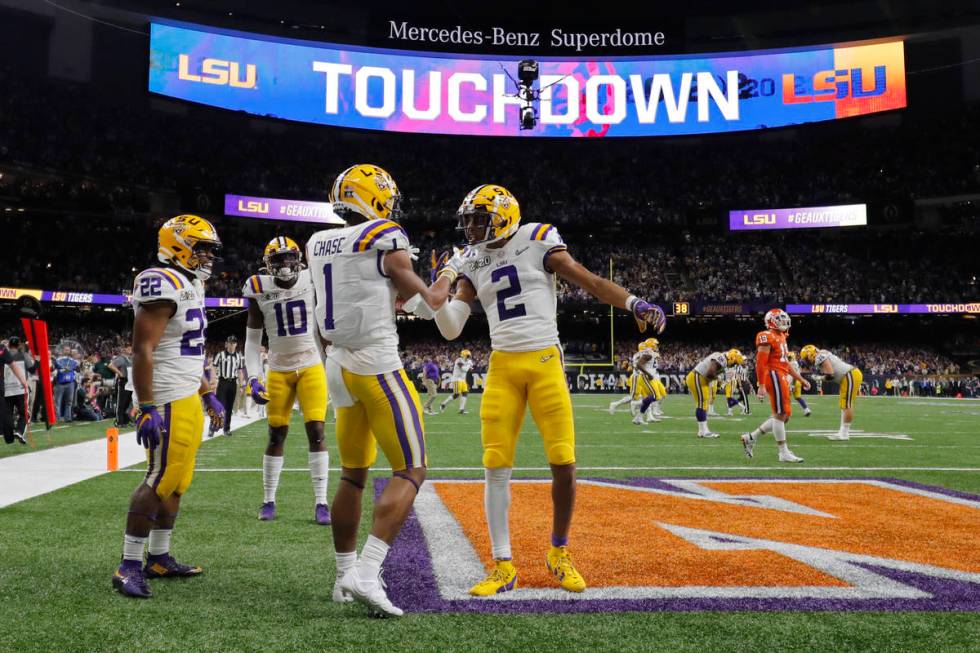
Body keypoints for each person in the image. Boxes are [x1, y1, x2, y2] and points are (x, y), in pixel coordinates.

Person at [420, 184, 666, 597]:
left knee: (563, 461)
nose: (471, 228)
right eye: (467, 221)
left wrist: (634, 303)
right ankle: (502, 565)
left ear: (503, 214)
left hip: (544, 361)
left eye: (478, 219)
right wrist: (441, 285)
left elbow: (587, 280)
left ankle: (560, 551)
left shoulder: (536, 239)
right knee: (495, 465)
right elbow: (450, 329)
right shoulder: (471, 259)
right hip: (502, 365)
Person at [307, 164, 453, 617]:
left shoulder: (317, 243)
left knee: (353, 474)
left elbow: (346, 299)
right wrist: (449, 271)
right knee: (412, 469)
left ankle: (342, 576)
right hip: (376, 365)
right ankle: (368, 572)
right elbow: (432, 302)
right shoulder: (384, 236)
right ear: (375, 198)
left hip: (337, 366)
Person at [112, 214, 225, 599]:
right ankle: (128, 565)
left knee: (178, 481)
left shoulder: (191, 282)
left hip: (188, 392)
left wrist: (208, 391)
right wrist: (146, 405)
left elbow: (190, 347)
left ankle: (158, 557)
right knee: (160, 477)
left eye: (210, 248)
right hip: (166, 395)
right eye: (202, 247)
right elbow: (142, 348)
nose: (208, 255)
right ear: (178, 244)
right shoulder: (159, 279)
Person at [243, 236, 336, 525]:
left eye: (289, 258)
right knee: (275, 435)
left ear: (299, 259)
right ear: (267, 265)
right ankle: (269, 499)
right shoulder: (258, 288)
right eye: (278, 260)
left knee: (317, 432)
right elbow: (252, 340)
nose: (285, 266)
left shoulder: (312, 278)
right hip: (279, 369)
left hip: (310, 365)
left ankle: (321, 502)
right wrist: (254, 378)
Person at [740, 309, 810, 463]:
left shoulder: (781, 337)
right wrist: (761, 385)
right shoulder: (767, 336)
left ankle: (750, 438)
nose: (784, 321)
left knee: (784, 417)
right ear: (771, 321)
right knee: (780, 415)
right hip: (773, 376)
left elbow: (786, 364)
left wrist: (800, 379)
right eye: (780, 319)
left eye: (784, 318)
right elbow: (760, 363)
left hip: (781, 375)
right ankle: (783, 452)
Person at [800, 345, 863, 441]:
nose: (806, 361)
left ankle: (844, 433)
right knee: (844, 405)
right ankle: (842, 432)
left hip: (850, 375)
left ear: (810, 355)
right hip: (847, 376)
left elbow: (830, 375)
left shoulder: (820, 356)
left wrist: (818, 378)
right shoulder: (821, 354)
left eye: (806, 358)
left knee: (846, 404)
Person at [686, 349, 744, 438]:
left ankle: (703, 431)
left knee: (704, 404)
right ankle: (703, 431)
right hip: (697, 377)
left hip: (701, 379)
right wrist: (719, 378)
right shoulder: (722, 359)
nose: (734, 365)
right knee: (702, 404)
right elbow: (709, 373)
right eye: (735, 363)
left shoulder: (723, 359)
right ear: (732, 358)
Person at [211, 336, 244, 436]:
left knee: (229, 408)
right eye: (230, 343)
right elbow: (213, 367)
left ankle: (226, 429)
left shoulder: (238, 356)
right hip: (222, 381)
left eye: (234, 343)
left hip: (233, 383)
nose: (232, 345)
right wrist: (213, 380)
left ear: (236, 344)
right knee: (218, 406)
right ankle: (212, 427)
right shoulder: (220, 354)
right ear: (227, 344)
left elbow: (240, 371)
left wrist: (242, 385)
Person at [3, 337, 34, 443]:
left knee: (8, 414)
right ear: (19, 345)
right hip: (21, 389)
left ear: (9, 344)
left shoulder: (3, 355)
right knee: (25, 413)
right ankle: (20, 431)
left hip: (7, 390)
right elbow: (32, 369)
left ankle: (8, 435)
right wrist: (38, 361)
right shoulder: (24, 356)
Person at [439, 349, 473, 414]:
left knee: (465, 393)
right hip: (457, 379)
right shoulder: (458, 360)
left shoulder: (467, 361)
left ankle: (462, 410)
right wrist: (469, 364)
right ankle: (443, 404)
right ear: (463, 355)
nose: (468, 357)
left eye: (469, 356)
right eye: (467, 356)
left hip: (463, 380)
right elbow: (465, 369)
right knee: (456, 394)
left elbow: (469, 370)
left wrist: (470, 367)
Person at [109, 345, 134, 426]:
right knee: (121, 403)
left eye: (131, 348)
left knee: (127, 402)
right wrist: (120, 373)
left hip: (130, 383)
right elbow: (111, 365)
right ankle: (119, 421)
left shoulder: (130, 358)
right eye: (128, 348)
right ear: (124, 349)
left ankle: (124, 420)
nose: (130, 350)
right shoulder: (121, 358)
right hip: (123, 381)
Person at [53, 344, 78, 423]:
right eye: (66, 350)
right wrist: (65, 368)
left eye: (68, 350)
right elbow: (57, 367)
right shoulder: (58, 360)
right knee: (57, 401)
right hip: (60, 383)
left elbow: (75, 367)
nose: (67, 351)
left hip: (70, 382)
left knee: (69, 401)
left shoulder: (73, 361)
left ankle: (68, 418)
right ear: (63, 351)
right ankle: (57, 418)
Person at [786, 351, 812, 417]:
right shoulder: (795, 363)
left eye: (789, 357)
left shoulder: (791, 364)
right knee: (798, 397)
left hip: (792, 382)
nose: (788, 358)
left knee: (786, 398)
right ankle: (806, 409)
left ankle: (788, 412)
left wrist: (792, 385)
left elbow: (793, 375)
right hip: (798, 382)